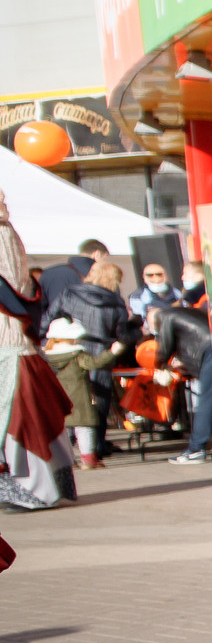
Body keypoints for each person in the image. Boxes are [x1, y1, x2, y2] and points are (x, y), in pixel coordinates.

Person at [0, 203, 75, 510]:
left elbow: (10, 288)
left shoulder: (2, 234)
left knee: (19, 419)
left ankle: (30, 488)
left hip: (10, 343)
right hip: (13, 343)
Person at [45, 317, 127, 469]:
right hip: (79, 398)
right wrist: (112, 352)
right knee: (84, 428)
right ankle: (88, 459)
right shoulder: (77, 355)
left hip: (54, 399)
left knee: (61, 431)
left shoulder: (46, 356)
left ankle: (67, 460)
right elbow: (94, 363)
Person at [152, 300, 212, 465]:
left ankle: (196, 449)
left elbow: (164, 347)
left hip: (208, 352)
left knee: (206, 400)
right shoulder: (189, 312)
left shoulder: (165, 316)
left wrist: (158, 366)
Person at [37, 238, 107, 314]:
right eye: (104, 258)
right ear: (97, 254)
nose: (104, 262)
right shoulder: (101, 277)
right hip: (83, 323)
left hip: (53, 323)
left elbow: (39, 307)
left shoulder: (49, 272)